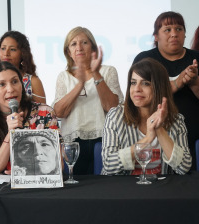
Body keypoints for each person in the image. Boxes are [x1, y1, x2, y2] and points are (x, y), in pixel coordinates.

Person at [52, 26, 124, 175]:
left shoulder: (108, 71)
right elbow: (59, 112)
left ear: (92, 47)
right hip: (73, 144)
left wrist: (94, 73)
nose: (79, 47)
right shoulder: (63, 77)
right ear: (68, 52)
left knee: (104, 189)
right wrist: (80, 84)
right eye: (73, 44)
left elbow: (112, 108)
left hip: (104, 141)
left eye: (84, 42)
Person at [102, 58, 192, 175]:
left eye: (145, 83)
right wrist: (148, 139)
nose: (137, 89)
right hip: (122, 189)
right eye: (133, 83)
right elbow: (109, 165)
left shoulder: (177, 121)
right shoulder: (115, 116)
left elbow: (184, 168)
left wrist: (159, 129)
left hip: (160, 188)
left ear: (159, 87)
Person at [133, 11, 199, 170]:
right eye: (167, 30)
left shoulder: (196, 57)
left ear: (184, 34)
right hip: (156, 130)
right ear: (156, 36)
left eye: (179, 29)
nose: (174, 34)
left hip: (193, 131)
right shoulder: (145, 59)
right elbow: (139, 95)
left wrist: (194, 81)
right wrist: (177, 83)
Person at [0, 61, 59, 175]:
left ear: (22, 85)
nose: (10, 89)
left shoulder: (45, 113)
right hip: (0, 188)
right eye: (2, 84)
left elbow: (58, 165)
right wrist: (11, 132)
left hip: (39, 185)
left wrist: (25, 175)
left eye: (14, 82)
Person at [0, 31, 46, 125]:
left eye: (12, 49)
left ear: (23, 54)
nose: (6, 53)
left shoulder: (33, 81)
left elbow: (43, 116)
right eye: (3, 48)